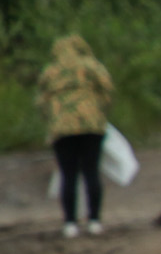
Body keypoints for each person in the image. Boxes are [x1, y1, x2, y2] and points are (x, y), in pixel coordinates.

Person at [39, 35, 113, 239]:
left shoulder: (50, 70)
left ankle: (70, 223)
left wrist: (52, 119)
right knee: (91, 171)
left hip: (62, 128)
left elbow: (42, 100)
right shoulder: (92, 66)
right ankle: (94, 221)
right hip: (91, 125)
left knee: (68, 174)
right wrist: (100, 112)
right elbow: (107, 91)